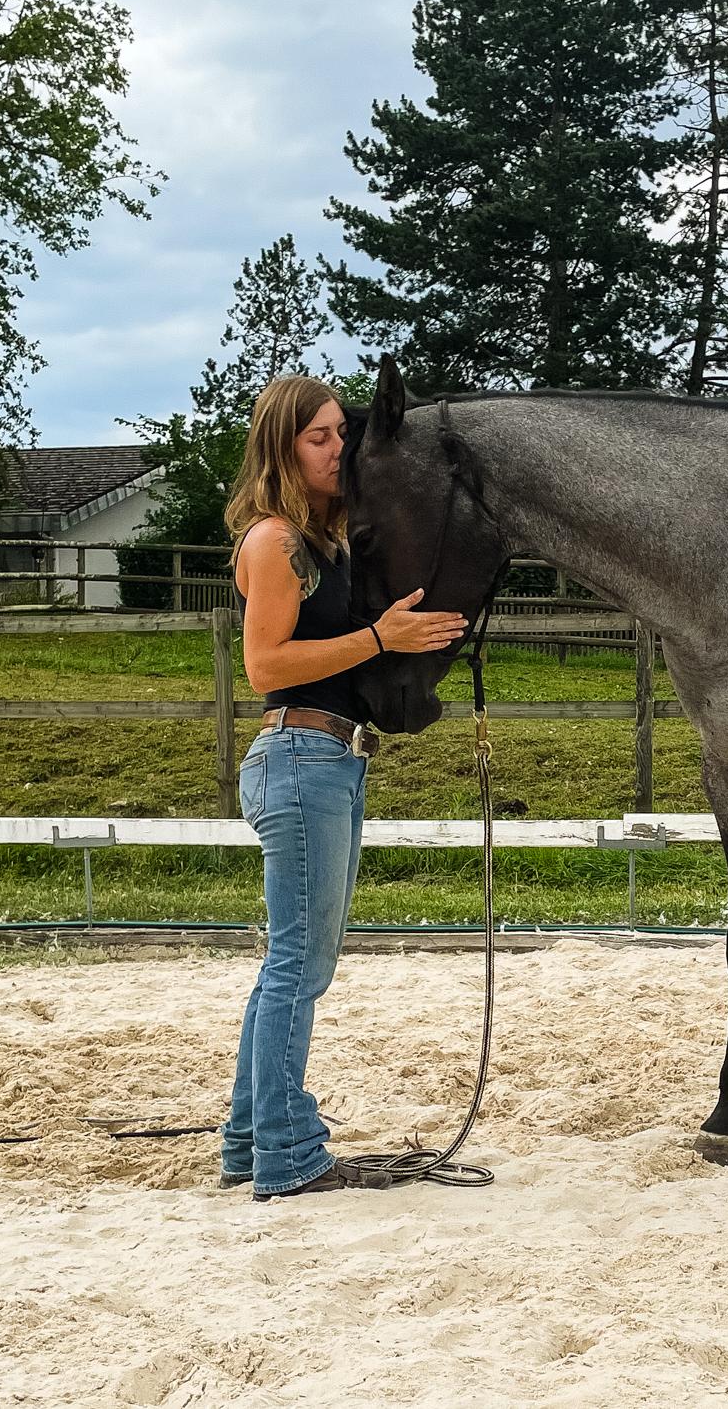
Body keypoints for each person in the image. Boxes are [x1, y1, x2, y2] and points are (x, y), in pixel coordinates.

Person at [217, 375, 466, 1200]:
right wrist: (375, 636)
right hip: (300, 760)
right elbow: (265, 666)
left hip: (327, 762)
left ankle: (249, 1142)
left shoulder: (322, 542)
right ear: (283, 445)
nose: (336, 450)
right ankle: (288, 1155)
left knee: (289, 964)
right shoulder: (273, 541)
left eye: (339, 434)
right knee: (298, 967)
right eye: (319, 437)